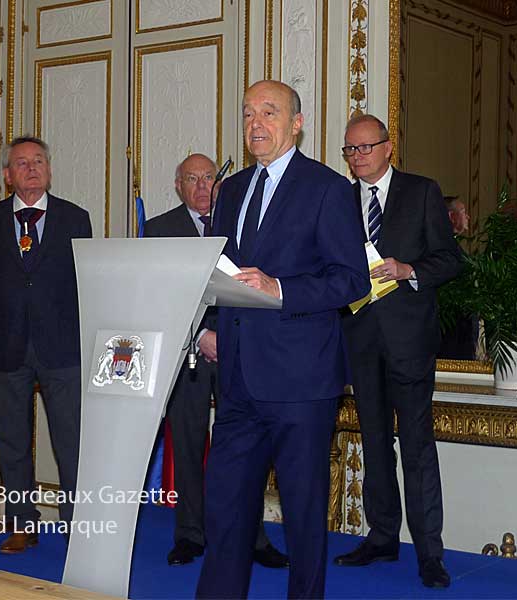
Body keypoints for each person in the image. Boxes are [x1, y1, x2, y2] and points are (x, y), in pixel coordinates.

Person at [195, 80, 370, 599]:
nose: (256, 123)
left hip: (300, 381)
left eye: (269, 112)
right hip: (237, 379)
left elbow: (352, 280)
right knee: (225, 508)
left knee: (303, 511)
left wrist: (279, 287)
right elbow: (218, 271)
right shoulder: (230, 191)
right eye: (248, 112)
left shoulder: (327, 188)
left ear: (296, 123)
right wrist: (207, 326)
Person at [333, 114, 461, 589]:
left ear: (389, 148)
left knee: (417, 446)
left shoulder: (422, 191)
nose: (358, 156)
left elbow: (449, 260)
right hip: (359, 340)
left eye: (366, 147)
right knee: (373, 443)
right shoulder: (339, 200)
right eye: (349, 150)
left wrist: (409, 269)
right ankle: (382, 536)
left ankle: (430, 553)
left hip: (410, 341)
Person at [144, 153, 287, 569]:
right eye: (193, 179)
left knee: (245, 448)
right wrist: (201, 335)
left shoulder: (239, 221)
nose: (203, 187)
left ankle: (252, 536)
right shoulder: (158, 231)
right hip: (187, 353)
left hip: (240, 352)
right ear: (178, 185)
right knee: (187, 445)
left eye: (209, 177)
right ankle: (190, 534)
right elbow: (158, 295)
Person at [0, 136, 92, 553]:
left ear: (49, 170)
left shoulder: (76, 219)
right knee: (11, 441)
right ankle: (21, 522)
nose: (31, 168)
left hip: (62, 350)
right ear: (8, 175)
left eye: (38, 161)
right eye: (21, 163)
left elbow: (84, 283)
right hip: (7, 348)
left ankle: (78, 523)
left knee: (72, 443)